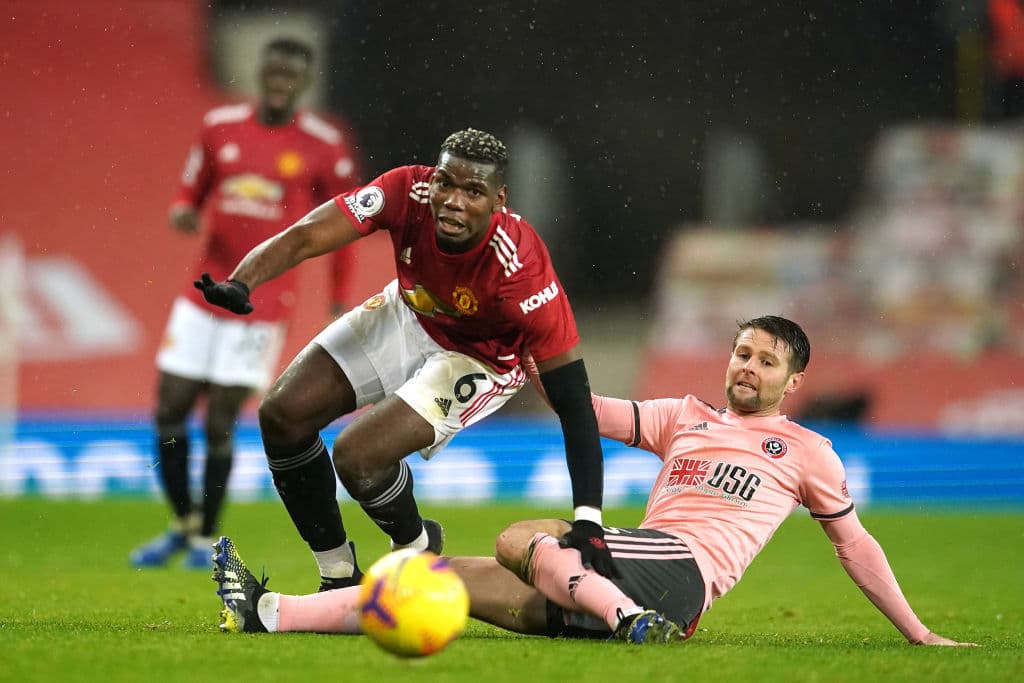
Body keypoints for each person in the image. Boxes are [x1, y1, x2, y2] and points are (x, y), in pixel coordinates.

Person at [210, 315, 975, 646]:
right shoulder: (686, 416)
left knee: (520, 535)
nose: (748, 367)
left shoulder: (808, 450)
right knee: (438, 577)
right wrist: (531, 350)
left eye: (766, 360)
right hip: (615, 567)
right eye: (743, 352)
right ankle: (269, 613)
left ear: (793, 378)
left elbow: (854, 544)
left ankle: (629, 620)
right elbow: (588, 408)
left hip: (681, 575)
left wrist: (916, 631)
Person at [194, 128, 615, 591]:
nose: (453, 200)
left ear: (499, 199)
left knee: (357, 457)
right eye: (445, 183)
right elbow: (307, 235)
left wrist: (589, 521)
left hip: (478, 359)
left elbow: (575, 403)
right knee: (281, 415)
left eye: (473, 191)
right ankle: (337, 575)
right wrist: (243, 281)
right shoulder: (403, 191)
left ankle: (415, 543)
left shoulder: (521, 271)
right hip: (409, 310)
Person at [131, 38, 363, 569]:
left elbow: (344, 224)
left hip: (263, 304)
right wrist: (183, 212)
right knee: (168, 409)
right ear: (263, 71)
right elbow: (190, 191)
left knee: (219, 422)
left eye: (292, 73)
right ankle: (181, 524)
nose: (281, 79)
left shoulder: (325, 144)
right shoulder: (220, 127)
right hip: (205, 291)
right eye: (274, 69)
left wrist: (338, 296)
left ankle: (202, 538)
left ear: (304, 81)